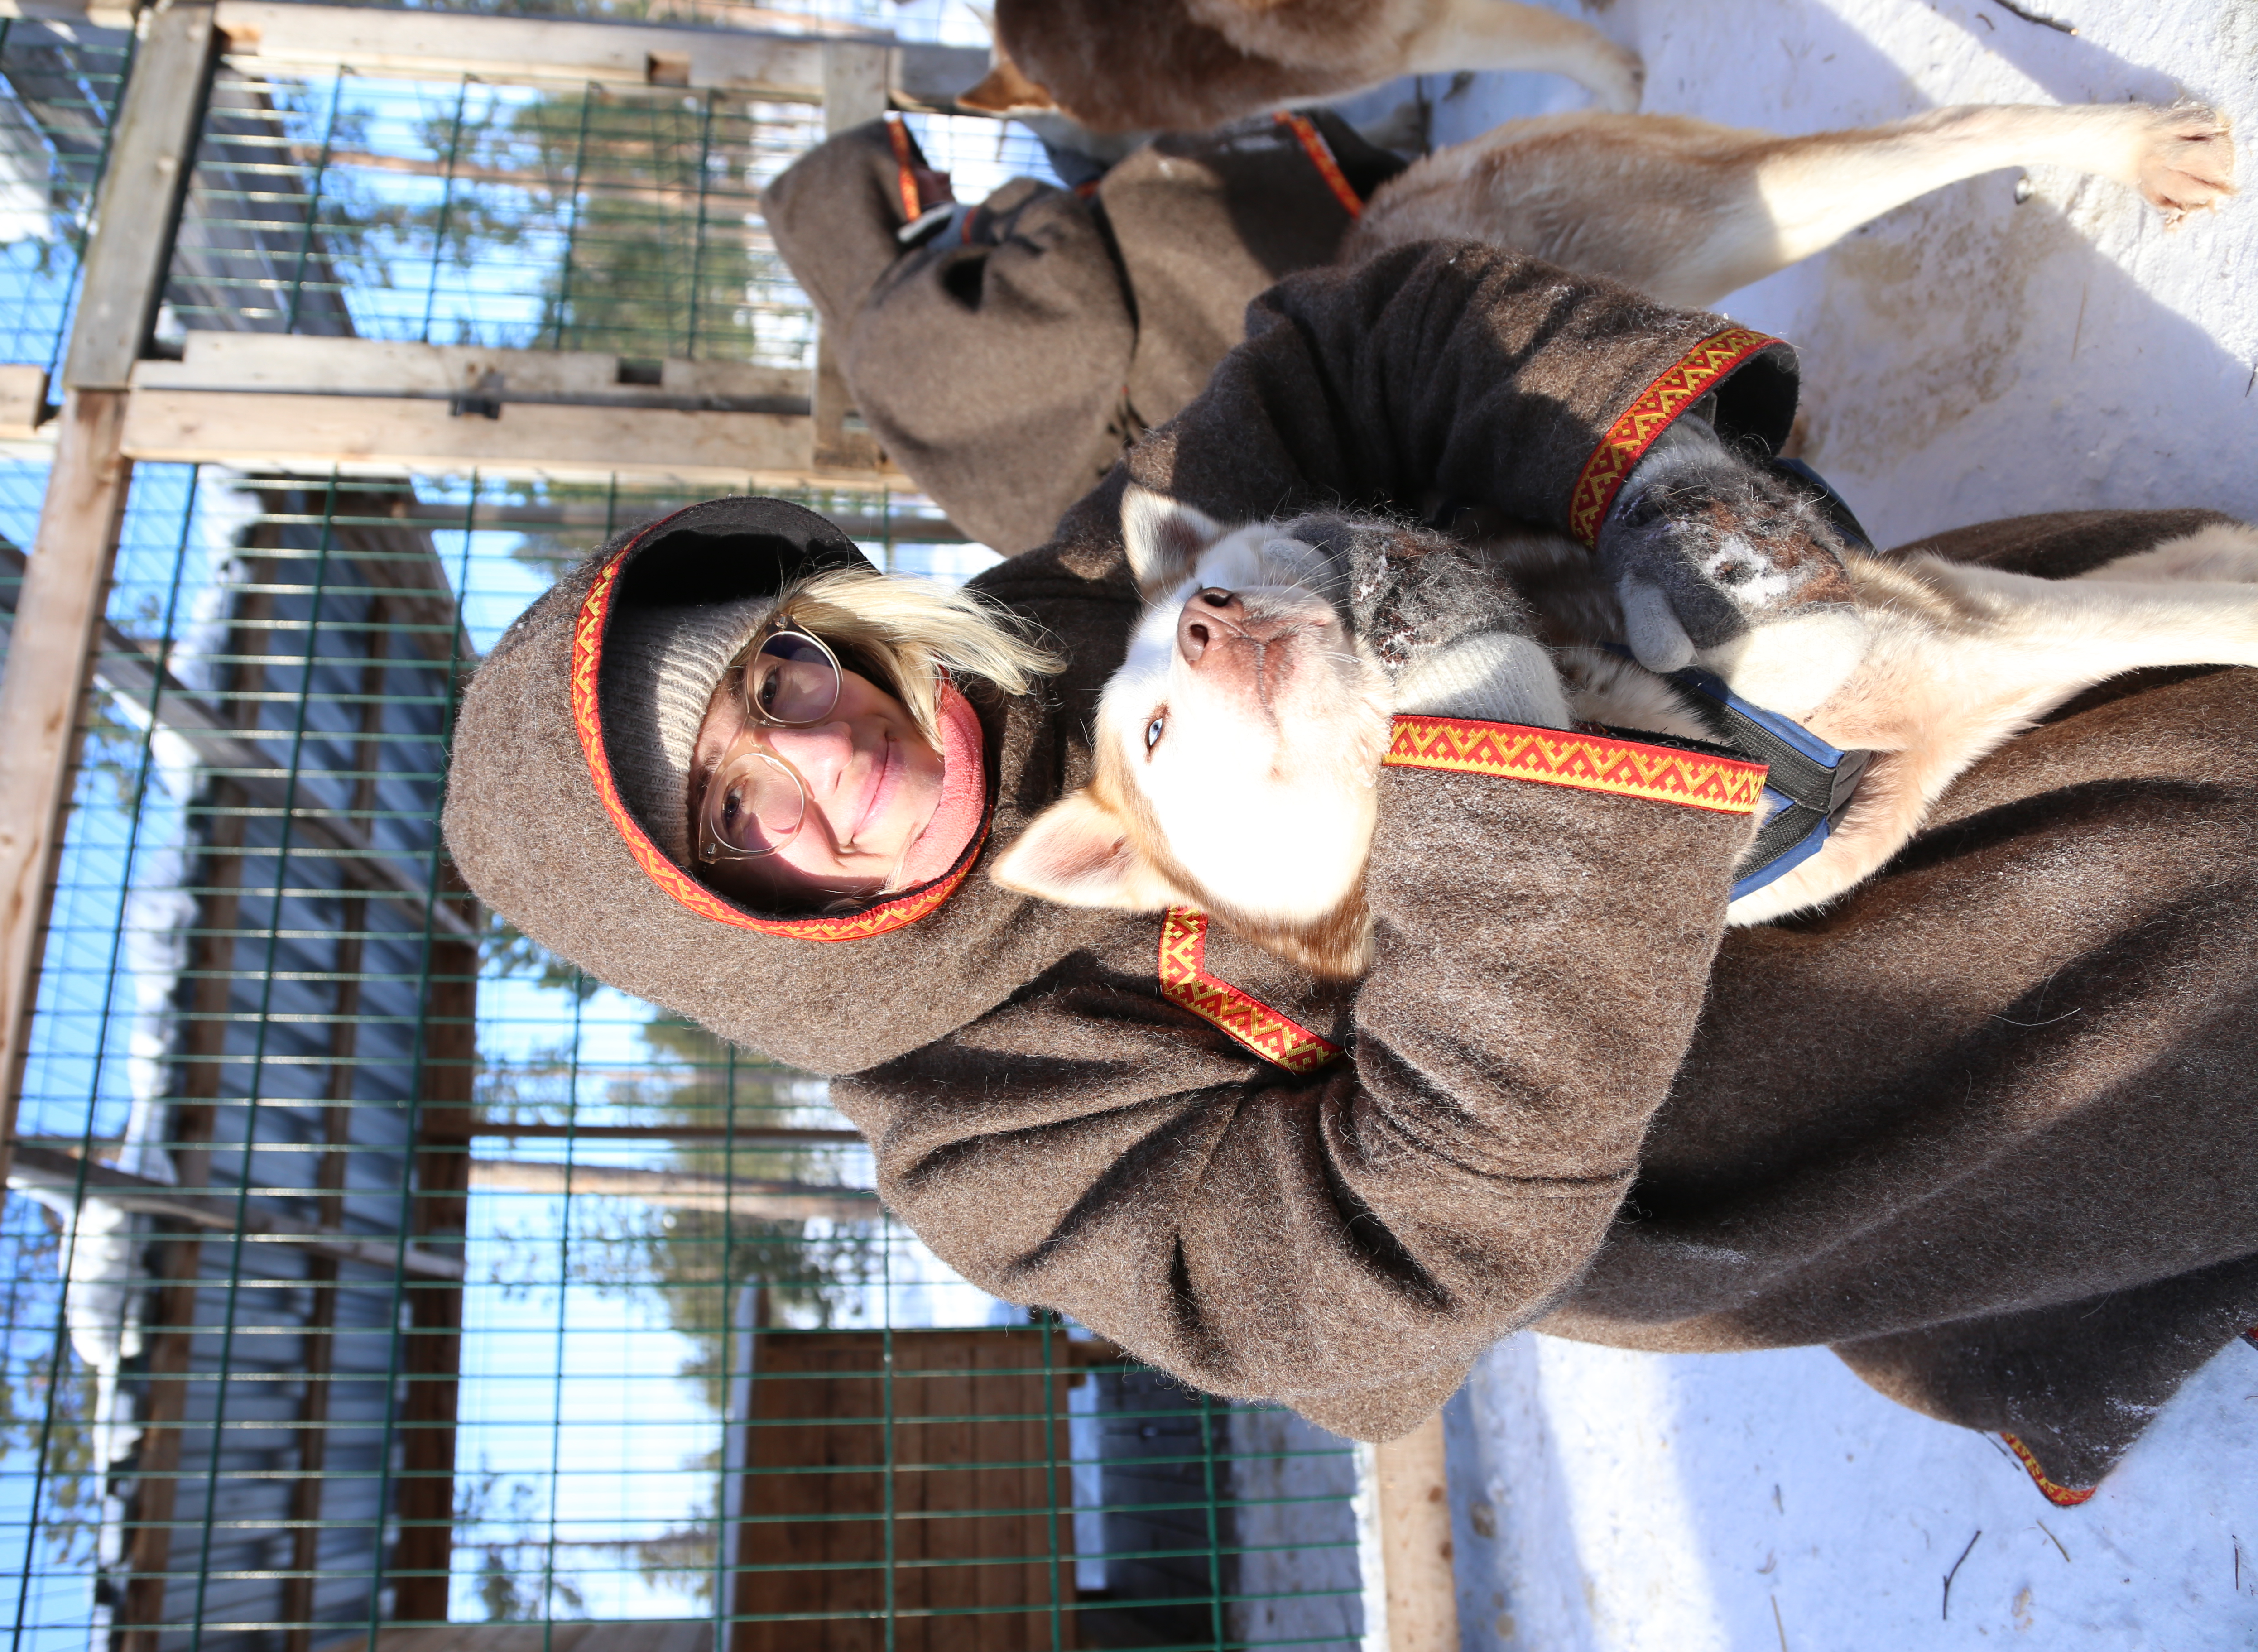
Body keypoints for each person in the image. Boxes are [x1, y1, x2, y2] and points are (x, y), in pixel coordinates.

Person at [444, 240, 2258, 1498]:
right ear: (721, 920)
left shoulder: (1093, 596)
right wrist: (1506, 739)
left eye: (779, 671)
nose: (830, 745)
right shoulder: (981, 1139)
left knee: (2132, 681)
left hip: (1823, 733)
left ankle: (2026, 1326)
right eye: (736, 806)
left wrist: (1670, 504)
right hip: (1778, 1107)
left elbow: (1384, 342)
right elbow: (1369, 1297)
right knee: (2196, 907)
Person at [761, 109, 1406, 556]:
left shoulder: (885, 335)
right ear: (869, 205)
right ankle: (1384, 242)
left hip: (1172, 469)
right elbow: (1081, 326)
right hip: (1181, 432)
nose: (940, 181)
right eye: (916, 175)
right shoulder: (892, 327)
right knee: (1141, 211)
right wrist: (1013, 205)